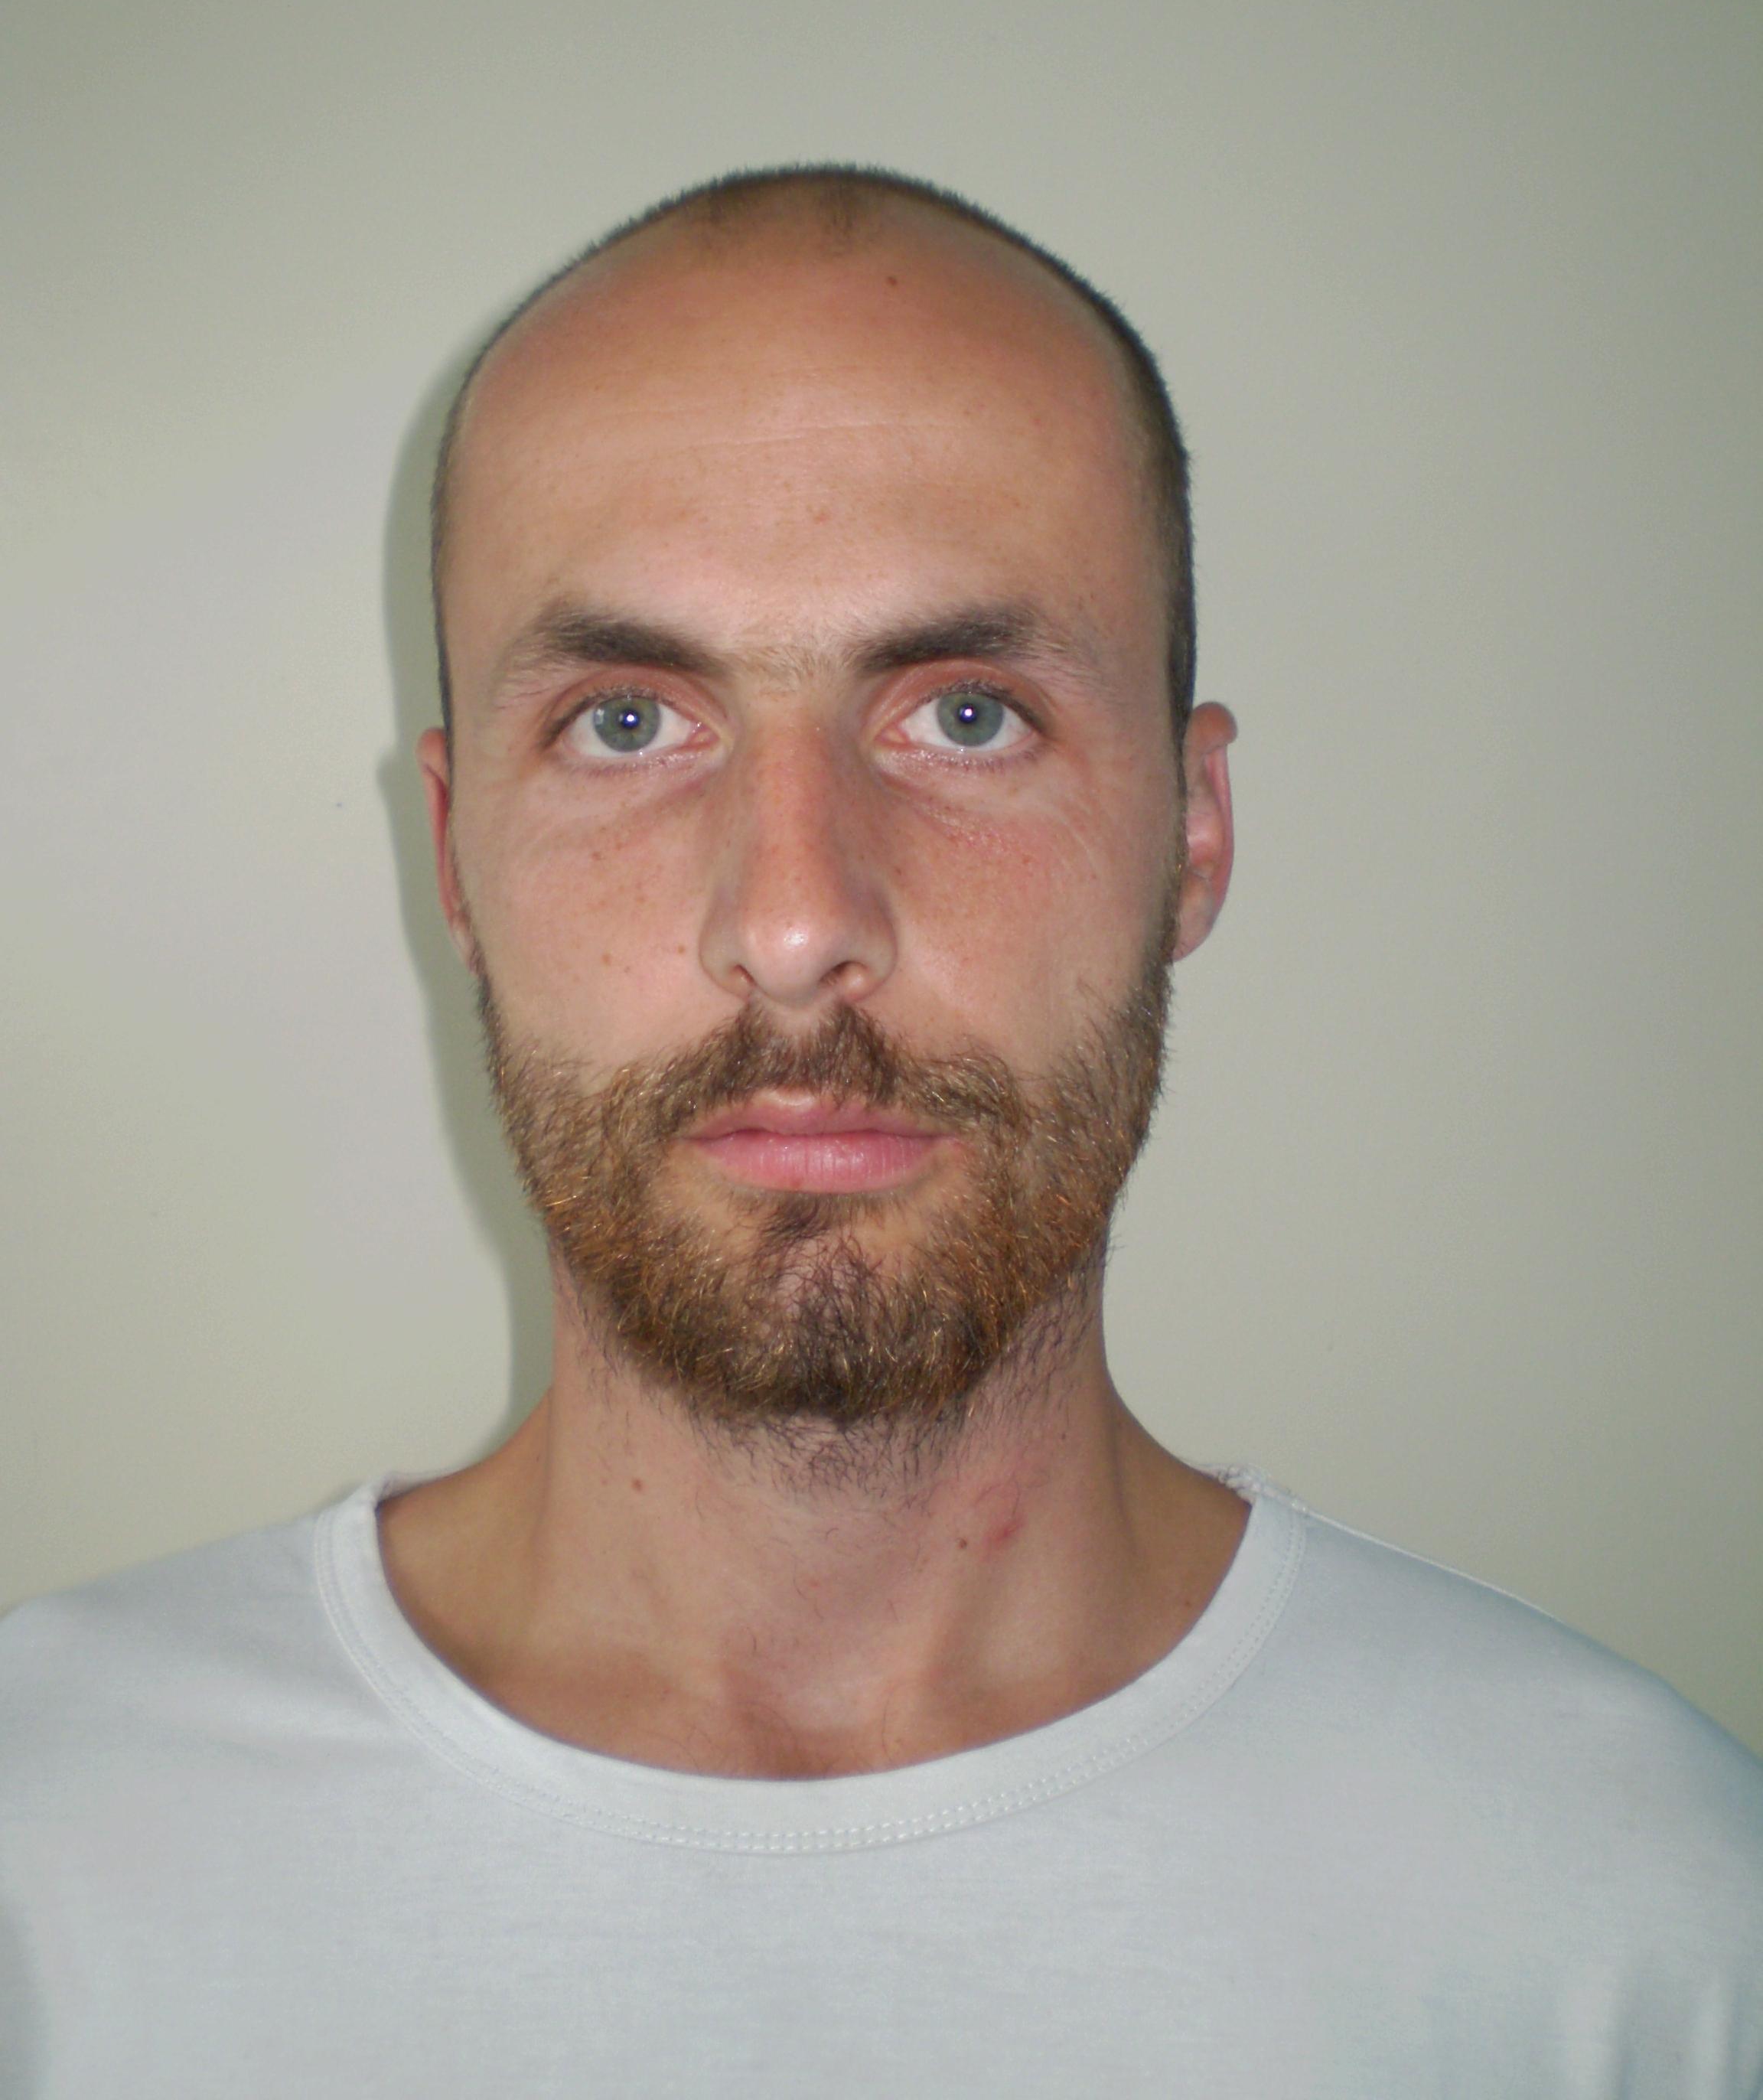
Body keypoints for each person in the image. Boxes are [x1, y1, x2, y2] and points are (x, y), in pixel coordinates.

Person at [2, 167, 1758, 2098]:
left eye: (967, 716)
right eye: (626, 724)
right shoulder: (51, 1862)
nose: (793, 923)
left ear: (1193, 834)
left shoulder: (1642, 1921)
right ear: (451, 854)